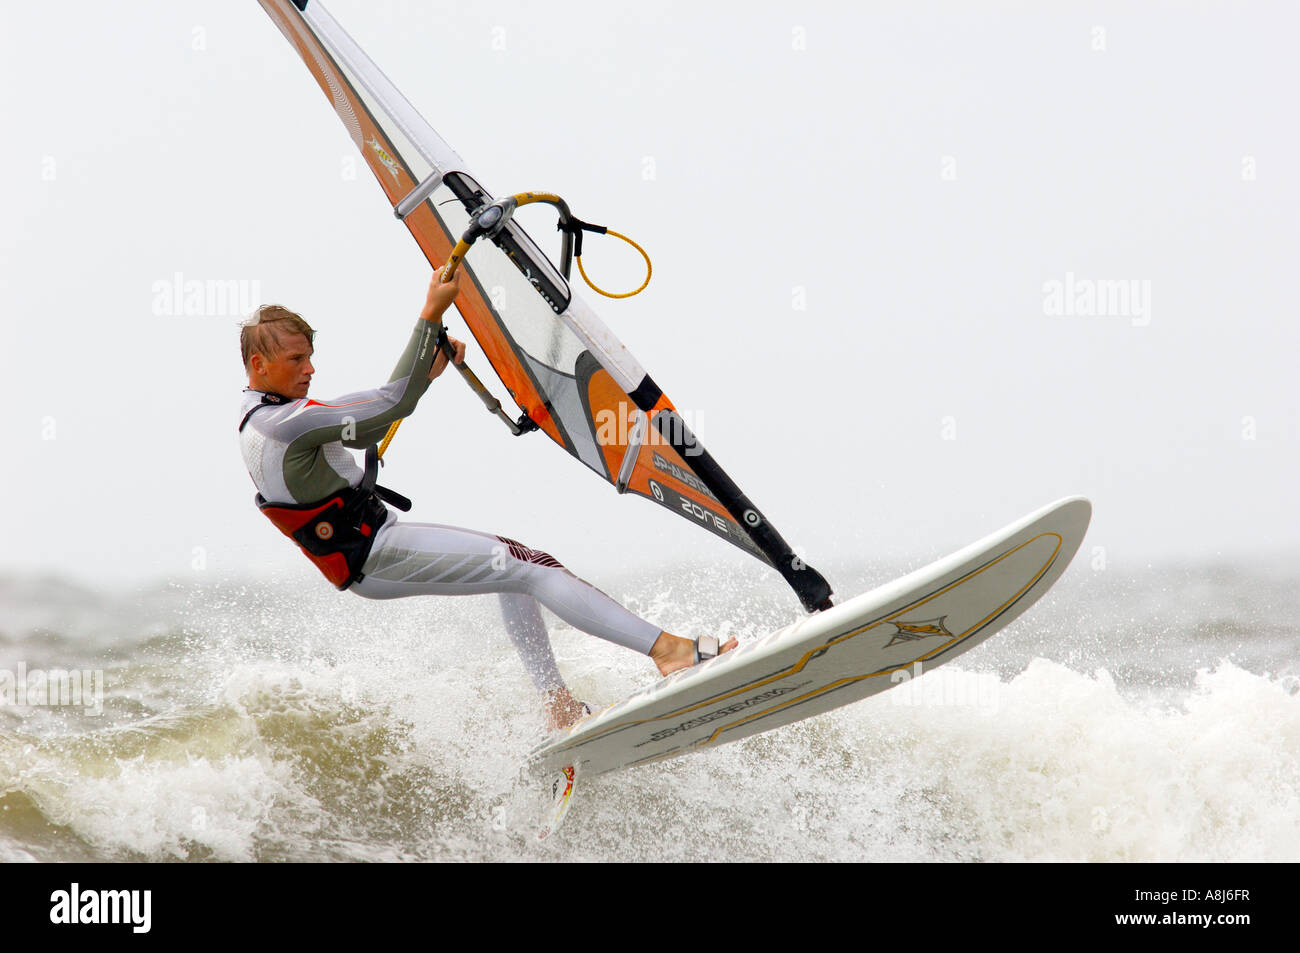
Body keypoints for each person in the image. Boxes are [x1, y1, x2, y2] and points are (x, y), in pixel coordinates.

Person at [237, 267, 736, 730]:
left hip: (367, 556)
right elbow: (390, 403)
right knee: (535, 567)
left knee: (515, 576)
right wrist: (430, 311)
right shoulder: (287, 423)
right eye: (296, 360)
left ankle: (558, 706)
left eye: (310, 357)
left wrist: (422, 375)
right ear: (259, 364)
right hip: (375, 550)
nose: (310, 369)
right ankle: (668, 650)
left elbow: (380, 408)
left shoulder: (263, 415)